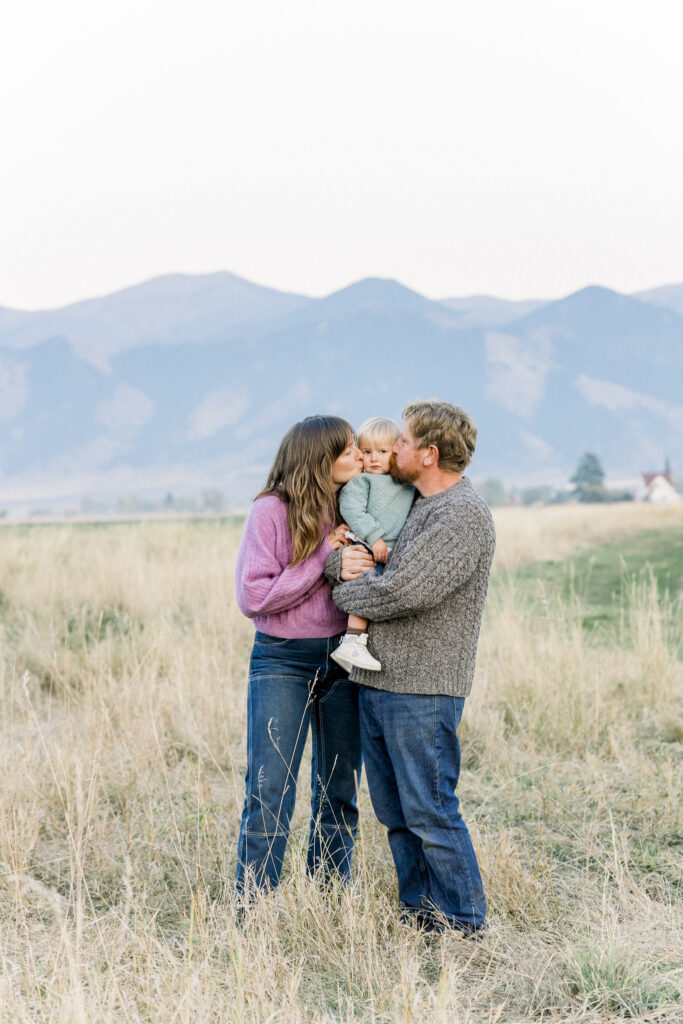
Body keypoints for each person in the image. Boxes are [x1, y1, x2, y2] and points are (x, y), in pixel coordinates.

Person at [325, 399, 495, 935]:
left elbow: (403, 590)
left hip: (423, 689)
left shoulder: (461, 516)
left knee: (430, 810)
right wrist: (338, 560)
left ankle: (465, 923)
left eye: (401, 441)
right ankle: (422, 914)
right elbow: (355, 552)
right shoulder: (416, 505)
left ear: (428, 453)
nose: (391, 448)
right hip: (377, 679)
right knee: (397, 814)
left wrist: (339, 587)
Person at [234, 415, 364, 895]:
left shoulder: (356, 504)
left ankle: (328, 900)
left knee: (340, 790)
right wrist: (323, 563)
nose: (359, 455)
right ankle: (255, 907)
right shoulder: (270, 510)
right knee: (270, 788)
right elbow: (254, 598)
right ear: (320, 459)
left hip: (346, 660)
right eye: (347, 449)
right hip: (282, 660)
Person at [331, 416, 415, 673]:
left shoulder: (404, 482)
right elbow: (352, 510)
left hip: (391, 550)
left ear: (396, 452)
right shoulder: (361, 482)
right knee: (368, 584)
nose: (374, 458)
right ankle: (353, 641)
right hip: (368, 543)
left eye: (382, 452)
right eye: (367, 452)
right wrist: (374, 536)